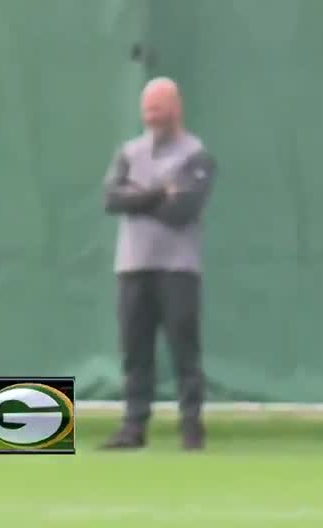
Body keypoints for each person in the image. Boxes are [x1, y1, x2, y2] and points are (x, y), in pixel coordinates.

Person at [100, 77, 217, 451]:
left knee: (184, 350)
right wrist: (157, 192)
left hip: (178, 269)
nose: (151, 113)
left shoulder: (196, 155)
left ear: (176, 107)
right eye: (147, 106)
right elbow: (112, 200)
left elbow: (182, 210)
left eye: (158, 106)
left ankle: (191, 428)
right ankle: (133, 428)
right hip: (133, 267)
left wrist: (139, 196)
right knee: (135, 351)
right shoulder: (129, 152)